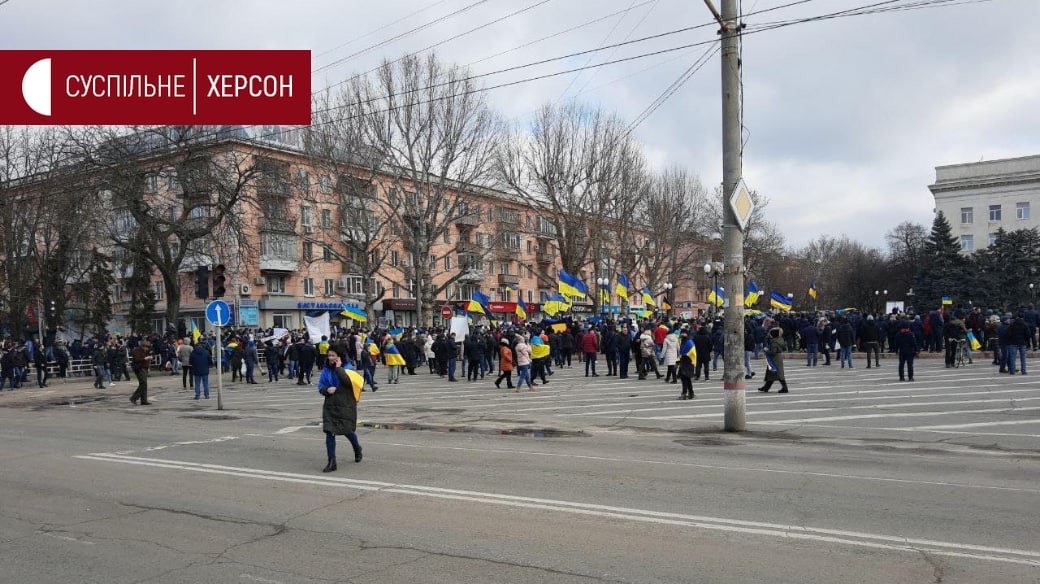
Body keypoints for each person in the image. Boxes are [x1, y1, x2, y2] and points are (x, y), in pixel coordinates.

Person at [317, 348, 363, 472]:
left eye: (333, 355)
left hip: (345, 405)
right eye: (329, 356)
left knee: (347, 430)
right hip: (330, 405)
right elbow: (320, 385)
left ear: (339, 357)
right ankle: (332, 461)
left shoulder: (349, 368)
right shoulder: (326, 370)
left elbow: (348, 383)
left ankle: (357, 448)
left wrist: (338, 368)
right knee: (329, 431)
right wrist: (326, 390)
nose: (330, 358)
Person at [757, 328, 789, 393]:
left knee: (776, 373)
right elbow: (784, 348)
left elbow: (773, 352)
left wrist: (766, 350)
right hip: (778, 358)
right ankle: (766, 387)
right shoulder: (780, 340)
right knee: (773, 373)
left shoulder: (774, 342)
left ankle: (785, 388)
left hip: (774, 359)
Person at [129, 340, 152, 405]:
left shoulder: (145, 351)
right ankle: (134, 398)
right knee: (143, 384)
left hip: (144, 368)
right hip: (139, 368)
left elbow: (146, 360)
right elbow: (137, 359)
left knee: (144, 384)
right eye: (146, 347)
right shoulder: (137, 350)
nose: (147, 349)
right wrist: (145, 359)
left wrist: (148, 367)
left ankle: (144, 400)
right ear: (142, 346)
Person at [677, 333, 696, 400]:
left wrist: (678, 361)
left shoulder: (686, 344)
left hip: (685, 363)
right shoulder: (690, 342)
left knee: (684, 379)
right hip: (689, 363)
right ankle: (691, 393)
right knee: (687, 379)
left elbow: (682, 354)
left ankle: (684, 394)